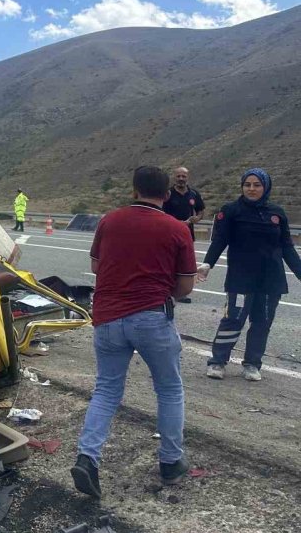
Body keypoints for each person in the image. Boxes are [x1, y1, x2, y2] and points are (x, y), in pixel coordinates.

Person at [71, 166, 195, 498]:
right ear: (167, 195)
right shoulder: (177, 228)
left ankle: (87, 458)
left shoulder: (109, 221)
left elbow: (97, 265)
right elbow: (183, 287)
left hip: (108, 318)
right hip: (152, 318)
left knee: (107, 391)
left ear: (134, 189)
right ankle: (170, 461)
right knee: (169, 389)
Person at [198, 169, 301, 382]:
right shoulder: (231, 211)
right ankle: (217, 361)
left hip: (270, 279)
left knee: (262, 322)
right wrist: (208, 263)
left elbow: (287, 248)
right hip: (240, 278)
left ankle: (252, 364)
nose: (251, 189)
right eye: (248, 185)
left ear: (265, 187)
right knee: (233, 319)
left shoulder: (277, 213)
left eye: (257, 185)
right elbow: (219, 240)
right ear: (242, 187)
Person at [162, 167, 206, 304]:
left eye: (184, 176)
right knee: (167, 263)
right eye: (178, 176)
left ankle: (180, 294)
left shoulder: (193, 194)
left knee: (184, 263)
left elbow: (200, 210)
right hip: (168, 234)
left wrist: (197, 219)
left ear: (188, 177)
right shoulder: (167, 193)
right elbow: (159, 210)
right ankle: (164, 292)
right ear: (174, 177)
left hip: (187, 234)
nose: (181, 178)